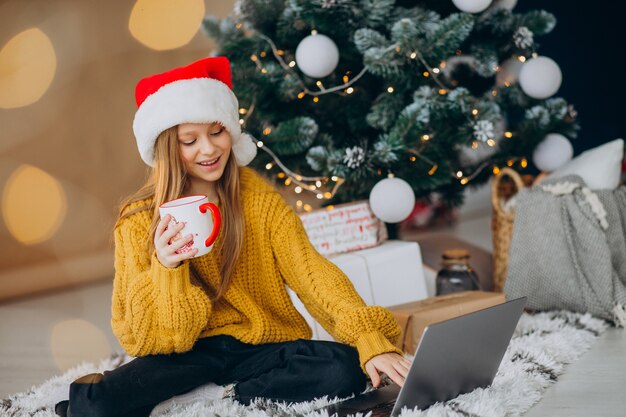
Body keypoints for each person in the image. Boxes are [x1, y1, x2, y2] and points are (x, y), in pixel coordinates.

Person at [55, 56, 410, 417]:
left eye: (217, 132)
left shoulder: (258, 199)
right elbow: (146, 338)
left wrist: (369, 339)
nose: (209, 150)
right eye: (189, 141)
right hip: (185, 353)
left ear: (231, 131)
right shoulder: (137, 222)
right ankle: (181, 391)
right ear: (165, 149)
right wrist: (167, 267)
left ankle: (221, 398)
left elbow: (313, 274)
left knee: (345, 367)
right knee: (97, 409)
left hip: (262, 346)